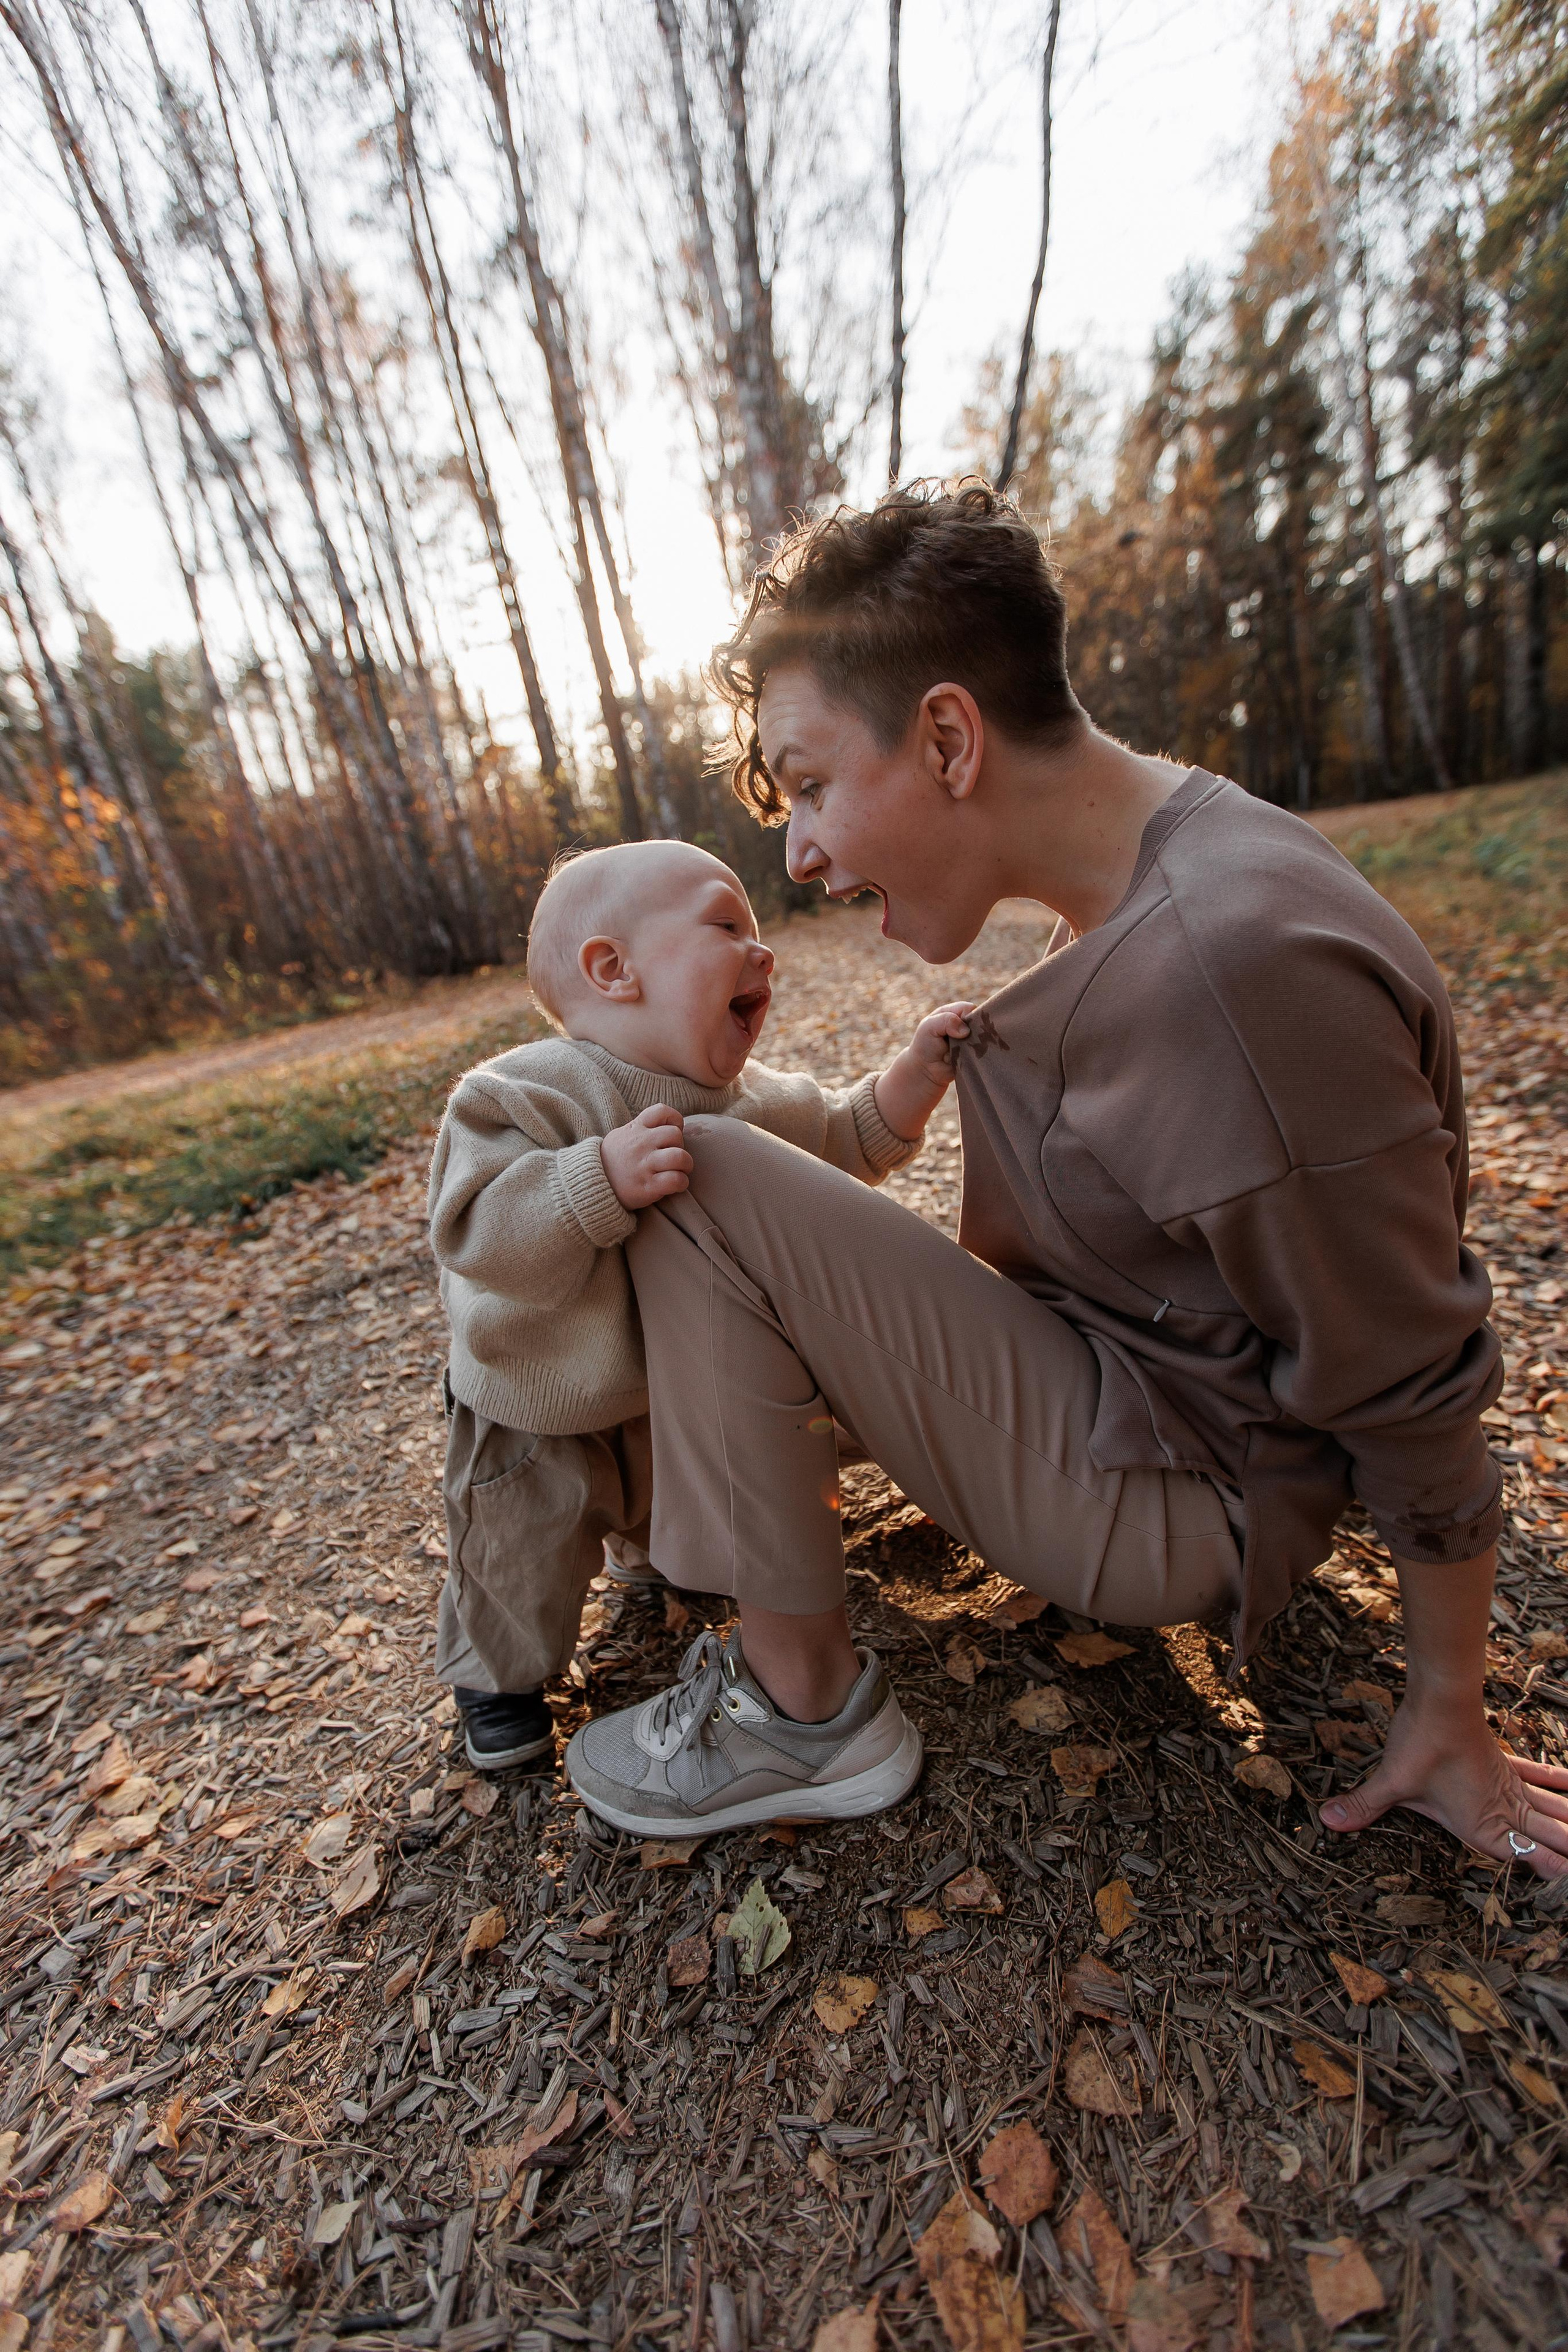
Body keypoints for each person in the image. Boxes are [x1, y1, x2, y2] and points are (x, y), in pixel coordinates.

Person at [564, 478, 1568, 1883]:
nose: (793, 850)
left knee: (704, 1181)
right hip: (1129, 1397)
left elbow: (1408, 1362)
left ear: (948, 737)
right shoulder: (1170, 869)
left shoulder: (1232, 967)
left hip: (1178, 1491)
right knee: (713, 1202)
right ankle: (697, 1511)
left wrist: (1446, 1703)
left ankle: (798, 1714)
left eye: (806, 786)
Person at [427, 836, 970, 1784]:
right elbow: (475, 1227)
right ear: (613, 969)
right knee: (521, 1551)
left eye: (759, 935)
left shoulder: (747, 1099)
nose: (763, 953)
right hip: (536, 1395)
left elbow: (839, 1140)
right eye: (728, 925)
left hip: (660, 1390)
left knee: (671, 1488)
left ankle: (646, 1553)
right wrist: (593, 1179)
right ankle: (497, 1680)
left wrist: (915, 1080)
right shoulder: (530, 1092)